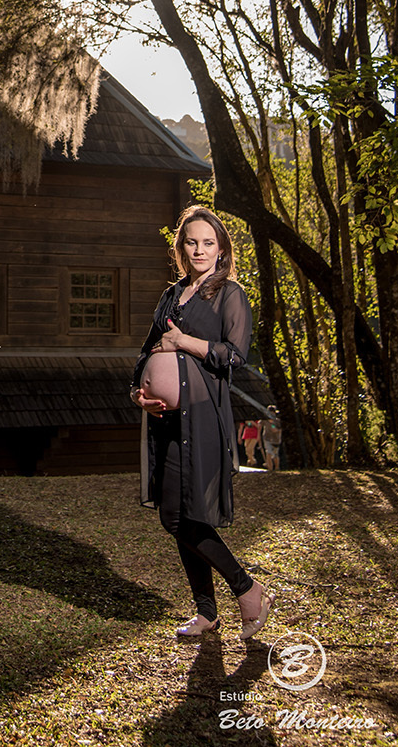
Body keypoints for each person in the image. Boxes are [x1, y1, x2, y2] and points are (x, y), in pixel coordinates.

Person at [130, 206, 275, 641]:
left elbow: (234, 355)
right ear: (181, 247)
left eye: (208, 243)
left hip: (203, 421)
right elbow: (145, 354)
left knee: (182, 517)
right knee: (176, 514)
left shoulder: (229, 295)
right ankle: (206, 612)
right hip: (165, 421)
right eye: (192, 242)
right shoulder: (171, 296)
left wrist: (183, 341)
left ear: (222, 249)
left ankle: (249, 590)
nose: (199, 250)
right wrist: (140, 394)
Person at [261, 407, 282, 473]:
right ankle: (270, 468)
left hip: (275, 439)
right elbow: (259, 425)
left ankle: (277, 468)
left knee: (275, 455)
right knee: (268, 452)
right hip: (267, 438)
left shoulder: (277, 421)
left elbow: (280, 429)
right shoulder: (264, 420)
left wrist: (277, 431)